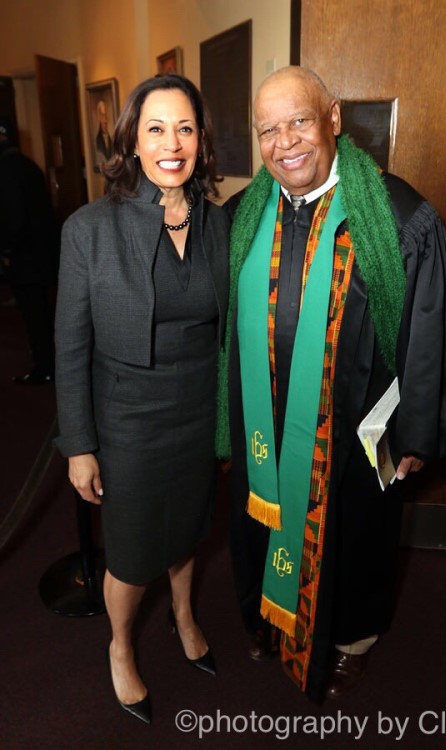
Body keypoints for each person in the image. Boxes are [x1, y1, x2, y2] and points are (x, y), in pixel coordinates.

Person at [216, 66, 446, 703]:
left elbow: (432, 333)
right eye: (268, 130)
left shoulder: (398, 217)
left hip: (355, 432)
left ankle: (352, 641)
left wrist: (418, 433)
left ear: (333, 118)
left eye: (300, 121)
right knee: (261, 524)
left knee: (358, 538)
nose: (285, 142)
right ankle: (268, 614)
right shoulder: (242, 217)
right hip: (266, 425)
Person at [55, 74, 229, 724]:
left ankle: (184, 614)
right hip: (127, 419)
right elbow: (69, 348)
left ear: (200, 139)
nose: (171, 143)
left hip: (197, 413)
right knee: (130, 555)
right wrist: (79, 446)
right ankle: (121, 647)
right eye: (155, 128)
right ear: (131, 139)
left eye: (184, 127)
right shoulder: (88, 230)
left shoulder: (219, 222)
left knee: (188, 532)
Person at [0, 116, 58, 384]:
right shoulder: (30, 166)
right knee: (42, 315)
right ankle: (47, 365)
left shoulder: (6, 169)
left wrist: (7, 251)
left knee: (35, 318)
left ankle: (44, 369)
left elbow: (14, 217)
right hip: (42, 255)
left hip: (25, 259)